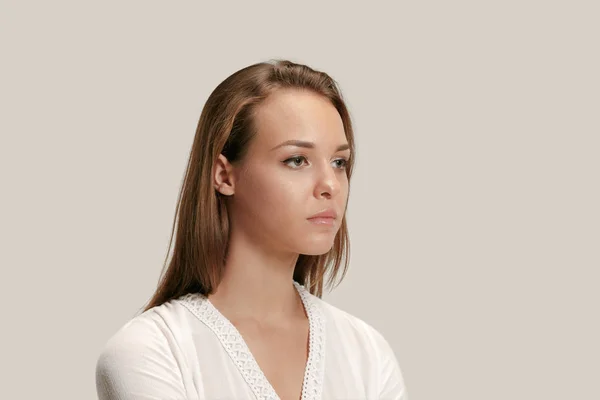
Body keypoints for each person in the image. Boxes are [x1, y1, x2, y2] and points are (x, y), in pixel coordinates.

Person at [95, 59, 408, 400]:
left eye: (339, 162)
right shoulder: (152, 351)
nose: (330, 185)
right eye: (296, 160)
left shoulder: (368, 354)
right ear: (224, 175)